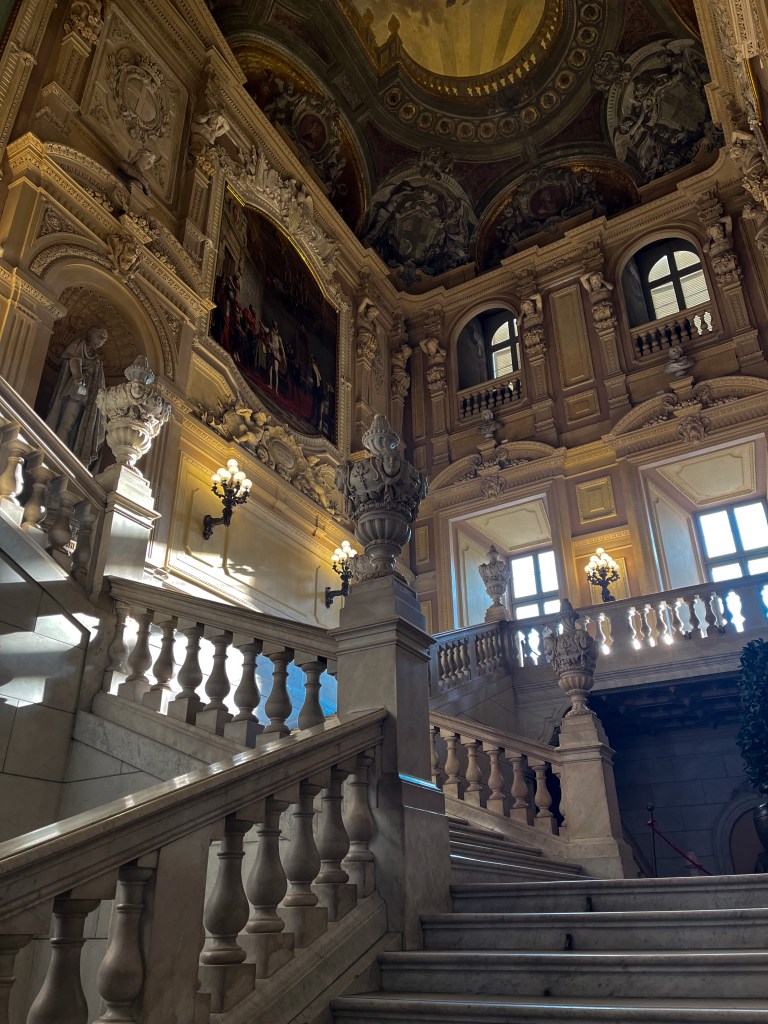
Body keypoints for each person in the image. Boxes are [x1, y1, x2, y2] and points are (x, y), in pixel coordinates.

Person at [46, 324, 107, 469]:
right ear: (91, 333)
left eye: (104, 339)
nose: (102, 340)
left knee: (77, 426)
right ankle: (57, 451)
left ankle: (68, 453)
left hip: (87, 394)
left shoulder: (97, 358)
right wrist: (78, 375)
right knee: (67, 421)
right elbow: (75, 360)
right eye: (100, 335)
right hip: (77, 388)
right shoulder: (81, 344)